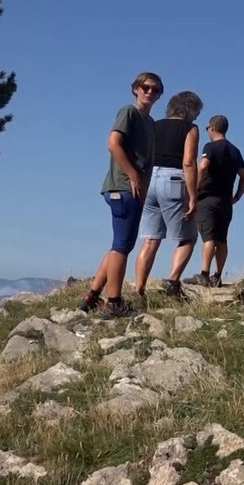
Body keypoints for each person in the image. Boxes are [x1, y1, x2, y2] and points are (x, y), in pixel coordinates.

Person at [78, 71, 160, 317]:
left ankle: (92, 296)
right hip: (123, 187)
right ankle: (113, 302)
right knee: (122, 246)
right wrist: (133, 175)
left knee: (120, 244)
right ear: (135, 88)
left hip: (133, 189)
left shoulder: (149, 122)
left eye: (155, 89)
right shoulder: (129, 112)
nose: (149, 92)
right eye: (145, 87)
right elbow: (113, 143)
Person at [134, 90, 204, 300]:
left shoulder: (154, 125)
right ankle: (172, 282)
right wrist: (192, 196)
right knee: (188, 237)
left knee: (150, 239)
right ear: (191, 110)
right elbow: (189, 162)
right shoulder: (190, 128)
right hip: (173, 179)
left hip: (150, 178)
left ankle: (138, 290)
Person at [185, 114, 244, 287]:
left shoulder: (210, 147)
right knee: (222, 239)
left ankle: (204, 274)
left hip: (208, 198)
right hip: (226, 200)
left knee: (209, 237)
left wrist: (195, 189)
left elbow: (203, 166)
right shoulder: (235, 151)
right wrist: (237, 196)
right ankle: (217, 276)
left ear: (212, 127)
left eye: (207, 128)